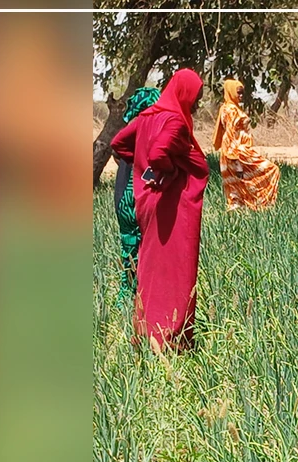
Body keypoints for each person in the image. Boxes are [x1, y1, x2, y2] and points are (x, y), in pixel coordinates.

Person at [110, 69, 209, 353]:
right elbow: (158, 154)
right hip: (171, 207)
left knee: (151, 268)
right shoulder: (175, 120)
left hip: (147, 203)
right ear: (185, 95)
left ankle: (147, 332)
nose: (197, 105)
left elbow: (119, 144)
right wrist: (167, 171)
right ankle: (169, 336)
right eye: (196, 99)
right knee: (176, 270)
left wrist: (140, 166)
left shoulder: (148, 116)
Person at [113, 86, 161, 308]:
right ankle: (140, 295)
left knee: (128, 245)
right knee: (143, 245)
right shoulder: (148, 129)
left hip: (122, 192)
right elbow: (152, 163)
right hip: (135, 196)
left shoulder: (129, 128)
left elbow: (117, 152)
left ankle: (126, 291)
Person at [212, 79, 281, 210]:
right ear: (231, 92)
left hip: (234, 151)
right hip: (237, 152)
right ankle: (262, 205)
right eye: (238, 93)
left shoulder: (228, 108)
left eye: (242, 93)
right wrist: (236, 161)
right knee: (272, 169)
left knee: (236, 187)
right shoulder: (231, 110)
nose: (241, 96)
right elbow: (231, 134)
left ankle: (239, 215)